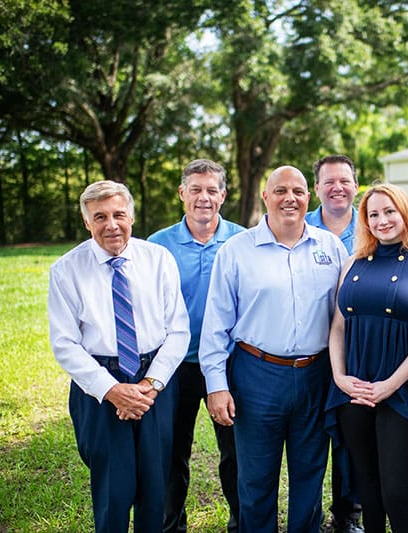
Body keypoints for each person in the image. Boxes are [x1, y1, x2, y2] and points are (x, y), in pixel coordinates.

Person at [199, 166, 348, 532]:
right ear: (265, 197)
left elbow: (343, 318)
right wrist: (216, 385)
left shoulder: (329, 247)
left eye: (298, 191)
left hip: (315, 374)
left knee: (310, 475)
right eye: (280, 191)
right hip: (257, 375)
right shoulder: (237, 251)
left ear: (308, 198)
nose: (290, 198)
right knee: (256, 478)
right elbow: (215, 324)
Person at [48, 180, 190, 533]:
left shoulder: (158, 259)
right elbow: (64, 343)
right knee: (113, 485)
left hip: (154, 380)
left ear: (131, 216)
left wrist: (150, 385)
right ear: (87, 223)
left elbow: (179, 330)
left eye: (118, 214)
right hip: (99, 383)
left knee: (155, 484)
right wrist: (112, 390)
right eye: (100, 217)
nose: (111, 224)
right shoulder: (66, 270)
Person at [326, 183, 408, 533]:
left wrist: (390, 385)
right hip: (354, 390)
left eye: (389, 211)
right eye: (373, 214)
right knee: (369, 491)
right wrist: (339, 377)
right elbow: (337, 327)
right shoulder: (352, 263)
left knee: (397, 493)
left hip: (401, 393)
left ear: (404, 214)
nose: (382, 220)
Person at [148, 159, 244, 533]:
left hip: (228, 364)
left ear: (223, 194)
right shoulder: (158, 245)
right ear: (182, 194)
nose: (203, 198)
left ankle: (242, 523)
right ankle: (172, 526)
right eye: (195, 189)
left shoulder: (242, 240)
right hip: (174, 365)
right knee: (171, 453)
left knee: (236, 453)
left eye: (211, 190)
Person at [306, 154, 363, 533]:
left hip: (359, 350)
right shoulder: (296, 223)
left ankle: (349, 513)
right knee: (309, 435)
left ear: (356, 185)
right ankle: (306, 512)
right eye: (329, 181)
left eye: (344, 180)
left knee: (351, 435)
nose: (337, 187)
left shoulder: (375, 223)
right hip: (308, 351)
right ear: (317, 188)